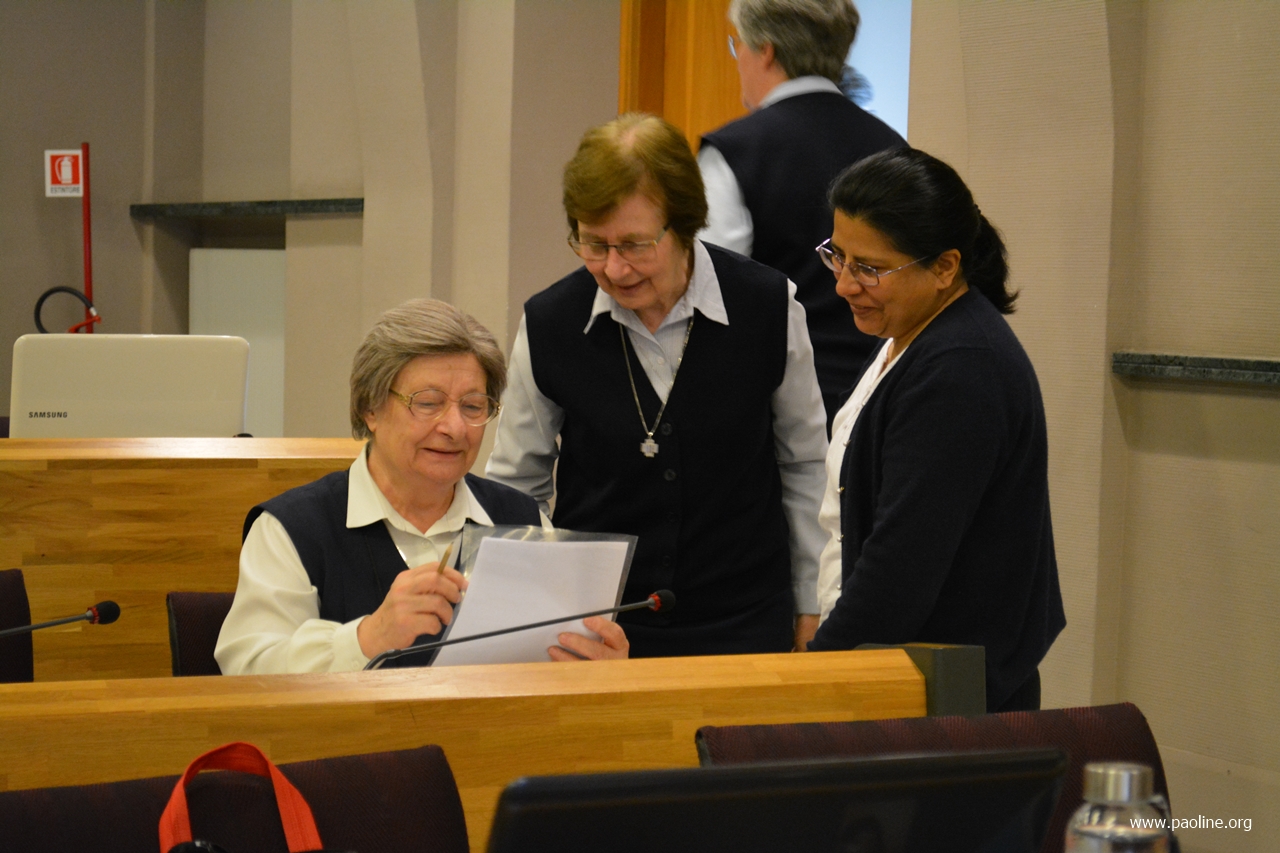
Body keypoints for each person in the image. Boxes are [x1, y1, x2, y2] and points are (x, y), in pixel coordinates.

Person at [486, 114, 829, 658]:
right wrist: (527, 618)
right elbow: (515, 486)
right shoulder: (551, 323)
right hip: (596, 631)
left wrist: (812, 602)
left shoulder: (768, 305)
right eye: (593, 244)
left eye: (635, 244)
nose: (615, 269)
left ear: (685, 224)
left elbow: (805, 464)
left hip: (743, 622)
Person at [215, 299, 629, 674]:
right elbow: (247, 671)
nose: (454, 428)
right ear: (370, 408)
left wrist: (602, 671)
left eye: (473, 407)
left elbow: (558, 674)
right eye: (428, 403)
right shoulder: (292, 528)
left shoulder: (524, 522)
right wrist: (368, 638)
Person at [806, 148, 1066, 712]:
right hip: (899, 675)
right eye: (838, 257)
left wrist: (810, 679)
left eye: (869, 268)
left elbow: (901, 570)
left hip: (943, 699)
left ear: (945, 267)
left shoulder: (959, 368)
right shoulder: (913, 334)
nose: (844, 285)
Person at [699, 0, 906, 429]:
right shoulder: (896, 149)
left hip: (779, 414)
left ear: (766, 50)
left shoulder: (735, 152)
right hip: (883, 403)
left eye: (738, 46)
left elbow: (709, 294)